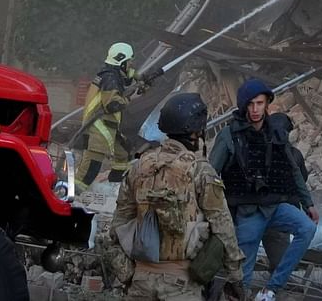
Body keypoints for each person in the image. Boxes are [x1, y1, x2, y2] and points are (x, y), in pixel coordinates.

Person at [100, 92, 244, 301]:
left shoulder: (139, 167)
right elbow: (223, 228)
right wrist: (236, 277)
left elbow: (117, 229)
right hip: (181, 285)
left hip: (140, 281)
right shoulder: (200, 171)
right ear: (196, 132)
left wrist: (129, 275)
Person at [209, 79, 316, 301]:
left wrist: (309, 203)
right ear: (243, 106)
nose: (256, 109)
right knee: (242, 280)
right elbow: (210, 175)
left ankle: (271, 289)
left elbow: (294, 170)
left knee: (307, 228)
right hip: (247, 212)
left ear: (267, 103)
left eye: (260, 103)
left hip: (275, 207)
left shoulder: (276, 132)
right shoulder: (230, 136)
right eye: (250, 104)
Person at [73, 42, 143, 191]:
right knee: (90, 168)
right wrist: (131, 98)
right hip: (98, 127)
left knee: (124, 153)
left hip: (107, 126)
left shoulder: (111, 75)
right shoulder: (110, 78)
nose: (131, 64)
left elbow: (126, 81)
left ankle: (114, 188)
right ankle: (71, 198)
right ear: (121, 61)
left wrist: (140, 78)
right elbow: (112, 105)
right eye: (129, 61)